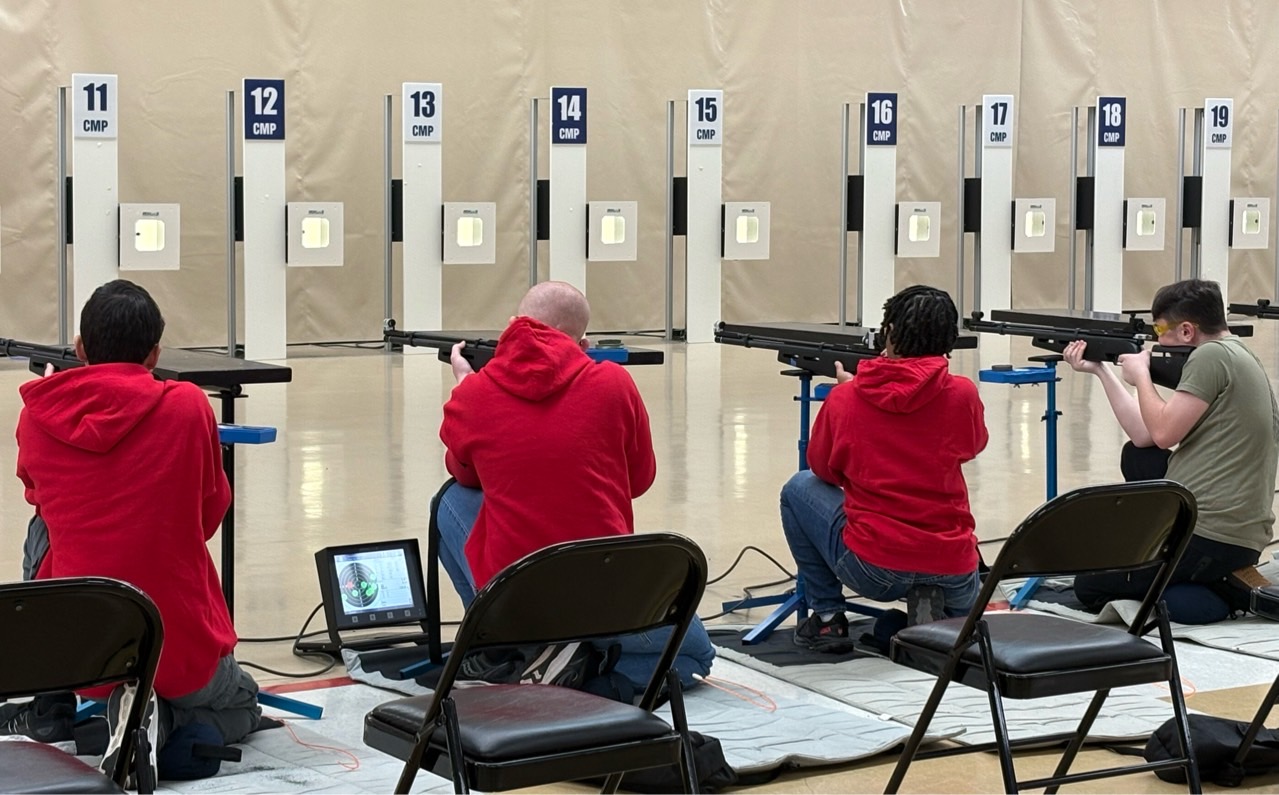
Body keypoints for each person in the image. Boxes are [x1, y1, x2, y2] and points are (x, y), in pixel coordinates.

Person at [11, 280, 262, 770]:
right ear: (154, 354)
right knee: (244, 704)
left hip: (84, 657)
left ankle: (62, 701)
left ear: (81, 349)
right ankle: (158, 723)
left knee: (40, 526)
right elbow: (209, 515)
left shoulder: (36, 416)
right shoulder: (189, 406)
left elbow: (39, 497)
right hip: (180, 652)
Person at [435, 281, 714, 697]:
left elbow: (465, 475)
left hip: (516, 600)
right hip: (607, 594)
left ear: (512, 326)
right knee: (695, 658)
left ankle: (500, 646)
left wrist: (465, 391)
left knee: (448, 502)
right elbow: (640, 480)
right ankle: (590, 677)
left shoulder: (474, 394)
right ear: (583, 344)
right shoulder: (615, 382)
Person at [780, 285, 988, 651]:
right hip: (955, 568)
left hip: (875, 569)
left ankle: (827, 618)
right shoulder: (963, 393)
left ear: (889, 332)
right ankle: (927, 618)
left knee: (798, 488)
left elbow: (823, 470)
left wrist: (850, 395)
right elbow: (972, 446)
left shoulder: (845, 398)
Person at [1063, 279, 1279, 623]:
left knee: (1090, 586)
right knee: (1138, 456)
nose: (1156, 339)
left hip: (1207, 535)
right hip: (1236, 535)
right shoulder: (1236, 353)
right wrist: (1101, 371)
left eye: (1160, 330)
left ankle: (1220, 591)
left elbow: (1163, 434)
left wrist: (1142, 377)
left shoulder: (1209, 356)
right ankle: (1210, 578)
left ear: (1187, 331)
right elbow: (1144, 435)